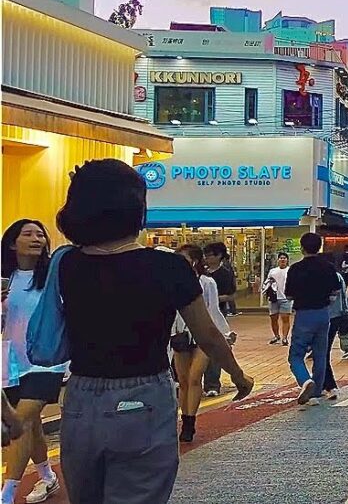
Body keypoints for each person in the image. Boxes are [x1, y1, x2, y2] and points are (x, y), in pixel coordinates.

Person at [52, 159, 252, 502]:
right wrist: (238, 375)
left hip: (80, 399)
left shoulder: (66, 263)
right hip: (142, 396)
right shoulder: (167, 266)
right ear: (136, 207)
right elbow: (208, 335)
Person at [2, 220, 65, 504]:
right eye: (27, 234)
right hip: (12, 362)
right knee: (33, 425)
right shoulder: (5, 278)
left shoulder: (55, 274)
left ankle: (6, 494)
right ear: (13, 243)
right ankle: (48, 477)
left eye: (40, 234)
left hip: (47, 362)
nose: (36, 238)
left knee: (21, 421)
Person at [171, 245, 233, 444]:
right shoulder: (172, 282)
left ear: (195, 261)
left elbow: (213, 310)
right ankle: (184, 418)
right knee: (183, 380)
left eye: (184, 259)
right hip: (180, 335)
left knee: (195, 376)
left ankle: (189, 423)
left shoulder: (207, 283)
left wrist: (225, 333)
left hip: (201, 336)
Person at [285, 232, 343, 405]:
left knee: (296, 355)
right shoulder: (328, 267)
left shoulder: (296, 269)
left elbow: (288, 295)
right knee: (320, 354)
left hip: (304, 314)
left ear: (302, 248)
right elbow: (336, 291)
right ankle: (316, 391)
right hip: (324, 314)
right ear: (320, 247)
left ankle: (305, 381)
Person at [202, 241, 237, 397]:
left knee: (214, 349)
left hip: (217, 315)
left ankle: (212, 384)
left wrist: (213, 298)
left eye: (209, 255)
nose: (207, 259)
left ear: (219, 256)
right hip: (200, 314)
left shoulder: (225, 273)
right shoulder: (203, 272)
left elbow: (231, 295)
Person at [263, 252, 292, 346]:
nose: (282, 260)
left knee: (285, 318)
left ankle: (284, 338)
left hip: (285, 298)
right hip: (274, 298)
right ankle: (276, 336)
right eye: (281, 258)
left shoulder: (290, 271)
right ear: (278, 260)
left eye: (284, 258)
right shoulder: (273, 271)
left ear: (287, 260)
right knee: (273, 318)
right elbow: (267, 282)